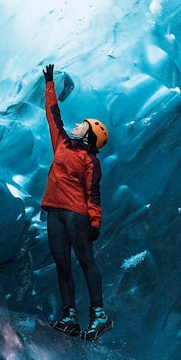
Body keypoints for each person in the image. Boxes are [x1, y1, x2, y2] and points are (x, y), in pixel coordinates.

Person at [41, 63, 113, 341]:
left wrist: (95, 220)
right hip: (54, 211)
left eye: (82, 125)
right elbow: (53, 115)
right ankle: (70, 315)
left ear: (90, 135)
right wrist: (49, 84)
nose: (75, 125)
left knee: (85, 261)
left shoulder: (90, 161)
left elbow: (93, 193)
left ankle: (99, 315)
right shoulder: (61, 143)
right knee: (62, 263)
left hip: (76, 214)